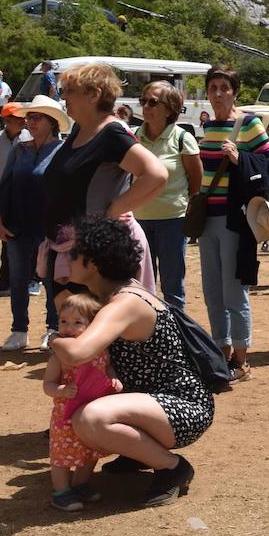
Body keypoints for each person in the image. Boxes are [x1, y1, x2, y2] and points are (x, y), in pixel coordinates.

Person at [49, 216, 213, 507]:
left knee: (90, 418)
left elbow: (76, 354)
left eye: (73, 255)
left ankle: (172, 468)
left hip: (181, 406)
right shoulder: (118, 292)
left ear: (93, 264)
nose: (67, 261)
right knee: (81, 413)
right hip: (153, 402)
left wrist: (54, 339)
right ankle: (137, 452)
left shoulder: (125, 303)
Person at [40, 63, 165, 349]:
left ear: (95, 94)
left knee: (103, 341)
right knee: (80, 332)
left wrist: (113, 212)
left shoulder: (111, 133)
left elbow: (156, 174)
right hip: (71, 250)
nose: (64, 98)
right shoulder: (80, 130)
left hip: (98, 255)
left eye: (69, 91)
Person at [195, 64, 269, 381]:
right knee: (212, 291)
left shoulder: (247, 124)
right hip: (207, 220)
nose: (217, 94)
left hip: (234, 219)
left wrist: (240, 158)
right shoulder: (208, 127)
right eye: (212, 87)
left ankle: (242, 361)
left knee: (234, 291)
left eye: (224, 88)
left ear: (235, 92)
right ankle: (221, 353)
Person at [0, 97, 65, 351]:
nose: (30, 122)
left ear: (52, 122)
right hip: (16, 225)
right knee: (18, 278)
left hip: (50, 229)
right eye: (29, 118)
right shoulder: (19, 149)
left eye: (37, 118)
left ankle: (53, 328)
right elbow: (5, 185)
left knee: (52, 280)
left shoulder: (62, 151)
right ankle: (19, 330)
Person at [43, 293, 120, 511]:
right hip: (65, 415)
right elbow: (47, 384)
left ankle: (80, 484)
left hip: (90, 409)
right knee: (62, 454)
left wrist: (114, 379)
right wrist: (61, 390)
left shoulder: (100, 350)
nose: (68, 328)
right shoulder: (60, 356)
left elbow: (107, 368)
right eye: (63, 322)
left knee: (90, 449)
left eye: (78, 322)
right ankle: (61, 492)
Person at [134, 82, 202, 311]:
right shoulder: (133, 137)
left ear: (170, 108)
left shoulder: (183, 138)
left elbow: (195, 179)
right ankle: (148, 337)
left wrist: (181, 203)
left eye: (153, 102)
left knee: (172, 286)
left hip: (173, 220)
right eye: (143, 100)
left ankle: (177, 337)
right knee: (141, 286)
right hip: (138, 220)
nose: (146, 106)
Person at [0, 102, 33, 297]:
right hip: (6, 197)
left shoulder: (32, 138)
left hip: (29, 195)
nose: (20, 122)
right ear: (5, 120)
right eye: (15, 118)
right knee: (6, 238)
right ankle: (6, 280)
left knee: (32, 237)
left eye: (22, 118)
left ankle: (31, 279)